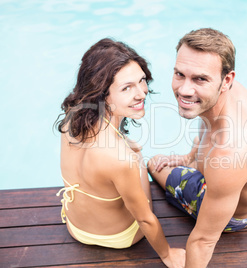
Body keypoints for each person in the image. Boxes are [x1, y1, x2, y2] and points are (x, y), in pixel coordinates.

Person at [148, 28, 247, 267]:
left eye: (200, 79)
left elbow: (203, 242)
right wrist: (190, 157)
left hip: (236, 215)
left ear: (226, 80)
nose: (184, 90)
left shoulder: (227, 153)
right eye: (179, 74)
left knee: (154, 164)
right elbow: (208, 128)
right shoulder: (229, 92)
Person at [54, 38, 185, 268]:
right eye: (127, 88)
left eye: (141, 81)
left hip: (75, 227)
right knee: (137, 156)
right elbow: (145, 219)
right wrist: (167, 255)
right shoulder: (120, 158)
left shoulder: (73, 116)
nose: (141, 93)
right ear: (103, 94)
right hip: (119, 237)